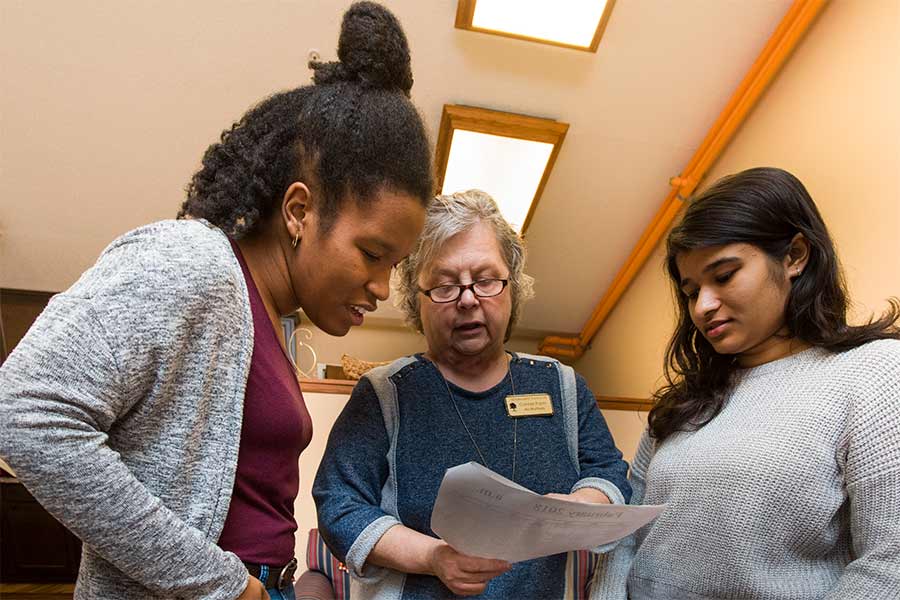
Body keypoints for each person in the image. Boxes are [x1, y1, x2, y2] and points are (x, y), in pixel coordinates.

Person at [0, 3, 433, 599]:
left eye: (394, 265)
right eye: (371, 253)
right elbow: (24, 411)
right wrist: (225, 586)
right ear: (300, 211)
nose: (383, 288)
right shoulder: (193, 263)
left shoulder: (271, 320)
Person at [594, 167, 900, 599]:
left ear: (795, 255)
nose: (703, 306)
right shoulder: (687, 399)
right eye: (690, 290)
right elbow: (627, 527)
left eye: (723, 276)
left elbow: (889, 566)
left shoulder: (873, 374)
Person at [313, 189, 632, 598]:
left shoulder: (563, 386)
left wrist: (578, 508)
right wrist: (432, 557)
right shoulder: (384, 393)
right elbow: (339, 505)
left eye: (485, 281)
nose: (467, 300)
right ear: (416, 299)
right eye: (444, 286)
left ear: (512, 287)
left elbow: (609, 474)